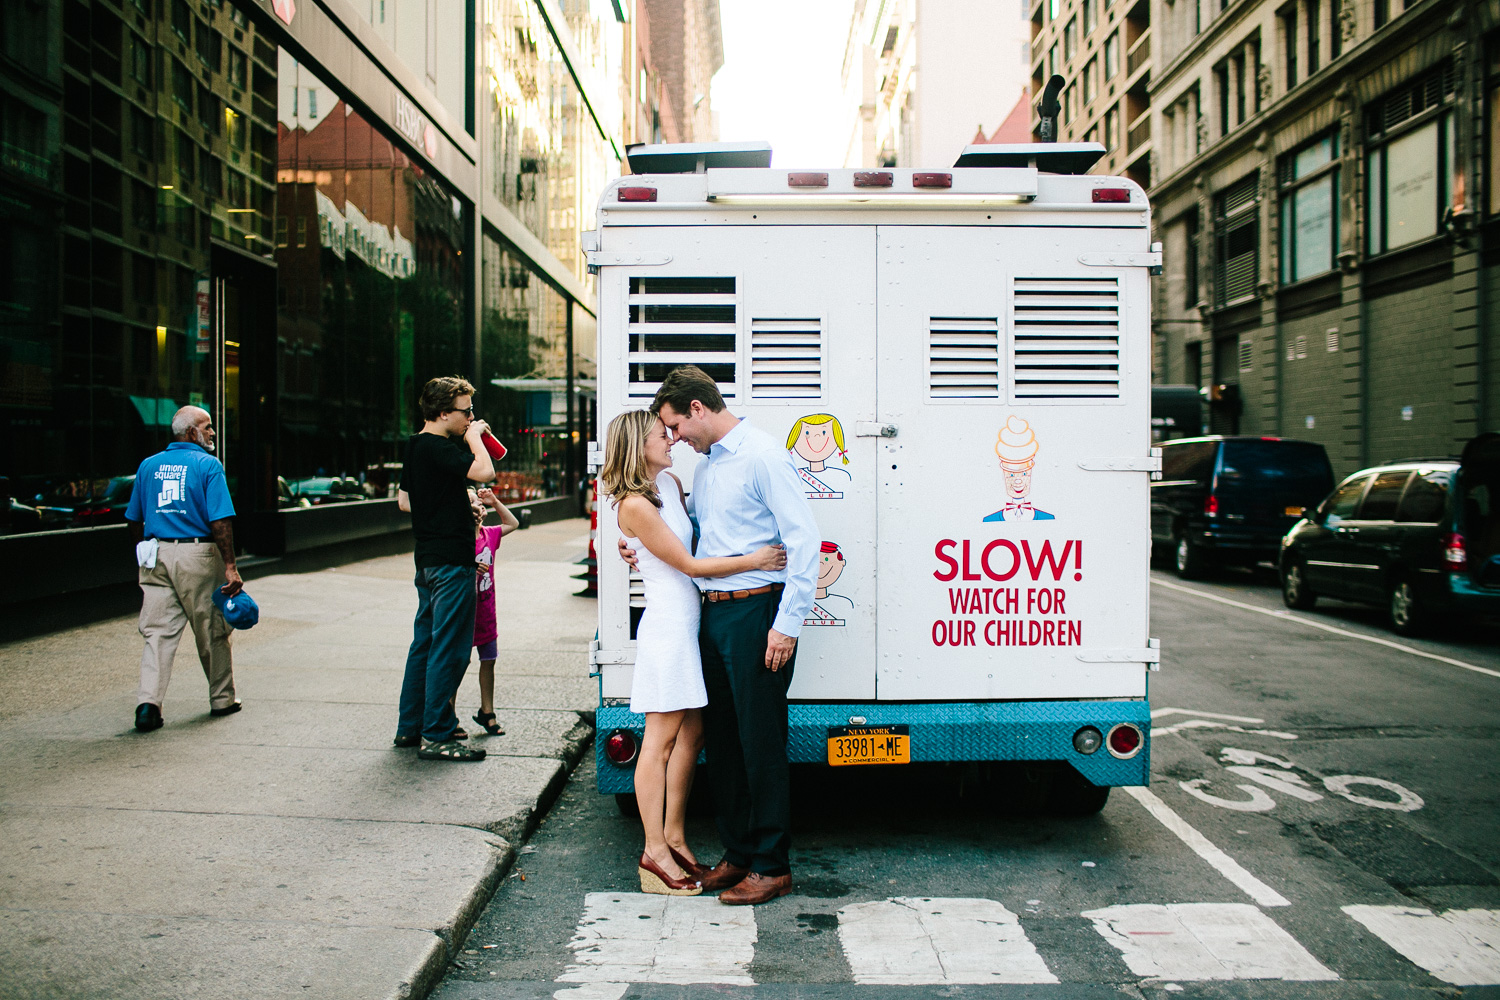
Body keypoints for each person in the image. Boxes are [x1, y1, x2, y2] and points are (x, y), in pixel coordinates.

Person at [622, 365, 821, 905]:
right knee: (726, 745)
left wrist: (787, 624)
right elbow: (689, 543)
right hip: (713, 615)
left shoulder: (762, 456)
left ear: (697, 409)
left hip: (759, 613)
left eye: (675, 426)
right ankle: (737, 856)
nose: (675, 438)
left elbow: (805, 543)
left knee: (760, 742)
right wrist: (635, 546)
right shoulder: (706, 468)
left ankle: (772, 866)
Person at [600, 409, 787, 896]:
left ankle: (677, 838)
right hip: (667, 628)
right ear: (636, 445)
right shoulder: (635, 505)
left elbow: (696, 539)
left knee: (694, 734)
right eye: (662, 435)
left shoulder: (673, 488)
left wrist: (632, 547)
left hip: (691, 624)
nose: (672, 440)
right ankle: (654, 851)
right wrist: (758, 559)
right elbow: (686, 562)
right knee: (660, 739)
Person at [394, 376, 496, 762]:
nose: (470, 417)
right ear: (442, 412)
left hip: (428, 561)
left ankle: (411, 727)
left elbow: (405, 502)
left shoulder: (416, 446)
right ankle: (437, 734)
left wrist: (454, 503)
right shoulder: (440, 446)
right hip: (452, 562)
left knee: (424, 644)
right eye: (465, 411)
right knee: (450, 649)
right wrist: (475, 438)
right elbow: (485, 472)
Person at [124, 406, 243, 732]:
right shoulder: (208, 465)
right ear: (191, 432)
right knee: (212, 630)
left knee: (157, 633)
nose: (213, 433)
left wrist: (144, 551)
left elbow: (134, 518)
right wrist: (230, 566)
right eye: (207, 427)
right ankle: (221, 699)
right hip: (197, 554)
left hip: (156, 554)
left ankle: (148, 705)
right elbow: (220, 521)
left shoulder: (148, 466)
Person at [470, 486, 520, 737]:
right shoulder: (456, 540)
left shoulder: (489, 535)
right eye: (471, 503)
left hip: (486, 612)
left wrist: (494, 501)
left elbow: (513, 522)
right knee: (457, 663)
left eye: (478, 503)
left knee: (488, 661)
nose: (477, 506)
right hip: (464, 613)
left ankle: (487, 712)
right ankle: (448, 713)